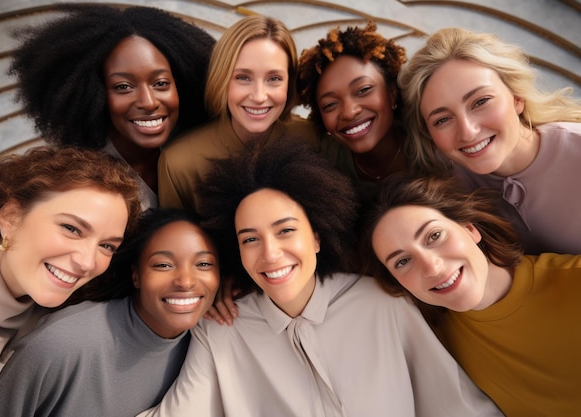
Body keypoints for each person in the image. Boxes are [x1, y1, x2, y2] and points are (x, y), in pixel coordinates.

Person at [136, 139, 503, 417]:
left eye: (285, 231)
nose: (270, 253)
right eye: (250, 239)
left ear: (315, 236)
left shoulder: (382, 302)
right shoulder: (220, 330)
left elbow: (457, 404)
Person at [363, 172, 581, 417]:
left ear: (470, 229)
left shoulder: (574, 281)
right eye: (402, 261)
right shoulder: (433, 340)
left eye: (434, 236)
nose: (432, 267)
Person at [0, 208, 220, 416]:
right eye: (163, 264)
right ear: (136, 275)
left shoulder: (208, 341)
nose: (186, 281)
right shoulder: (63, 343)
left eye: (204, 264)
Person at [0, 146, 142, 417]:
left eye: (107, 246)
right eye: (71, 229)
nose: (88, 262)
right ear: (11, 218)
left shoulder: (42, 314)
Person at [9, 4, 215, 210]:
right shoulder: (76, 183)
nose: (149, 102)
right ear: (94, 93)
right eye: (123, 87)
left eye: (160, 83)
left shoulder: (199, 150)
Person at [398, 27, 581, 254]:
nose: (468, 132)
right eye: (443, 119)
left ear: (517, 98)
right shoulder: (447, 179)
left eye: (481, 101)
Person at [157, 14, 318, 212]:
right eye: (243, 77)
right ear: (222, 78)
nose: (259, 96)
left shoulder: (314, 140)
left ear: (290, 82)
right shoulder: (179, 164)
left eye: (274, 78)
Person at [298, 21, 409, 201]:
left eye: (363, 90)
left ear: (392, 93)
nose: (349, 112)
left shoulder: (431, 144)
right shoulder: (324, 163)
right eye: (330, 105)